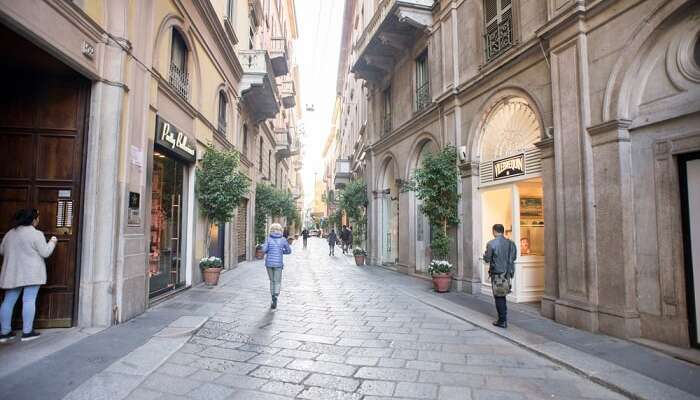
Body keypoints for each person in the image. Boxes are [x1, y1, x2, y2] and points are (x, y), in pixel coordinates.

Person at [0, 209, 57, 342]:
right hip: (32, 273)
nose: (38, 220)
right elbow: (45, 252)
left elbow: (2, 251)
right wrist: (53, 241)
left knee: (8, 301)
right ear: (33, 219)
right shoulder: (36, 234)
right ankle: (27, 332)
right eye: (37, 217)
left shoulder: (10, 233)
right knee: (29, 300)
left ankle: (4, 332)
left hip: (13, 272)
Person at [483, 223, 516, 329]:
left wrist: (485, 255)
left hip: (498, 275)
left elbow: (487, 259)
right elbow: (514, 257)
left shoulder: (491, 244)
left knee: (499, 297)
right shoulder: (511, 243)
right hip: (507, 274)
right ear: (502, 231)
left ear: (494, 231)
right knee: (503, 296)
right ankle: (503, 318)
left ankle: (502, 320)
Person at [262, 223, 291, 309]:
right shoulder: (283, 239)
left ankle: (272, 298)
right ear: (280, 230)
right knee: (277, 281)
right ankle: (276, 295)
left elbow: (264, 250)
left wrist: (269, 251)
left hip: (269, 263)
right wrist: (281, 251)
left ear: (271, 230)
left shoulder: (268, 239)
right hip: (278, 264)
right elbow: (289, 251)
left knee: (272, 281)